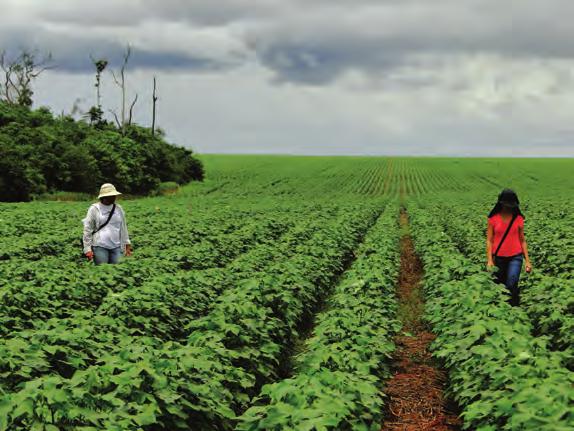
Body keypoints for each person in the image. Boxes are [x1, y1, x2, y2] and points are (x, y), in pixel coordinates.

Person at [486, 189, 532, 306]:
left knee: (511, 282)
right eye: (507, 205)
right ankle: (503, 309)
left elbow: (522, 240)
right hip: (499, 257)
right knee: (500, 285)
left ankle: (512, 307)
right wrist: (490, 260)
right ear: (501, 203)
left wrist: (527, 261)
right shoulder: (493, 219)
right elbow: (489, 240)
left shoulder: (519, 219)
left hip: (515, 256)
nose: (509, 207)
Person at [82, 183, 132, 265]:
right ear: (104, 197)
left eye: (114, 195)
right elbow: (87, 229)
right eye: (111, 195)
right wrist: (87, 249)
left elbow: (123, 227)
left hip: (117, 246)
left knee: (117, 271)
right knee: (102, 271)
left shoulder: (118, 209)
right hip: (99, 246)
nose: (114, 197)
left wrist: (127, 244)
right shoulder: (94, 209)